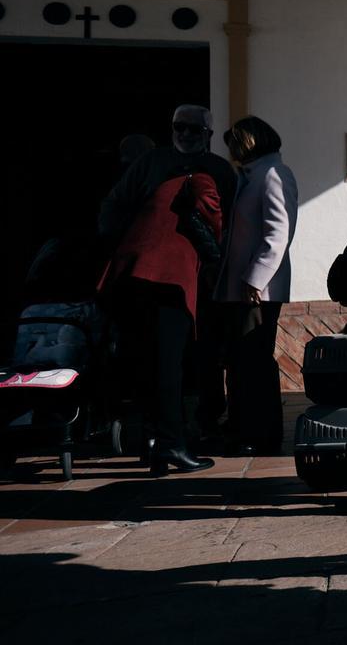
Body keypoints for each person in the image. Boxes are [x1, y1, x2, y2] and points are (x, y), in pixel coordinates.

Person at [99, 104, 236, 475]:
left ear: (208, 134)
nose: (186, 134)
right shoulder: (157, 164)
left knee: (158, 361)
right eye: (180, 127)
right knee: (163, 363)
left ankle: (156, 443)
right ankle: (169, 444)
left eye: (194, 129)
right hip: (164, 275)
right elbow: (113, 207)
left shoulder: (216, 170)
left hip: (158, 274)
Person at [214, 116, 298, 456]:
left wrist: (256, 278)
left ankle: (260, 434)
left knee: (254, 363)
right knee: (241, 361)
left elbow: (278, 234)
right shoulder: (251, 176)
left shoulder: (274, 174)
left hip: (256, 291)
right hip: (242, 289)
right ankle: (243, 428)